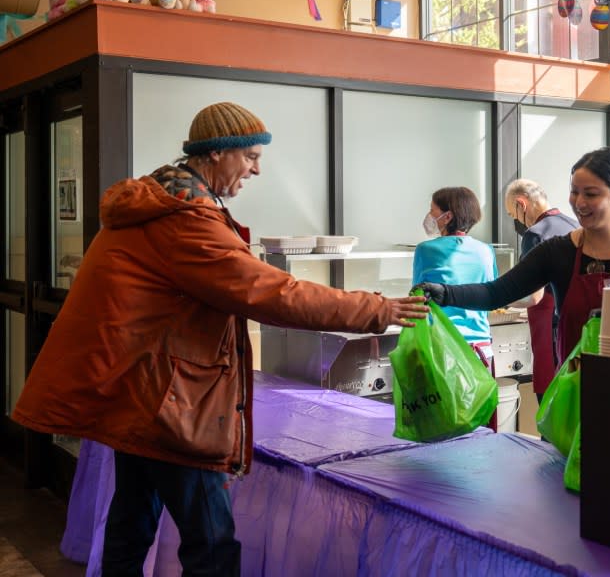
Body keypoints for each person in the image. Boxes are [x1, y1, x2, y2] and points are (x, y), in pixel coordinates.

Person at [10, 102, 427, 576]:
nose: (256, 168)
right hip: (170, 405)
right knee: (212, 546)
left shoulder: (164, 204)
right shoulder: (184, 218)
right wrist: (377, 309)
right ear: (214, 154)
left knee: (131, 525)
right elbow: (271, 292)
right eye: (249, 155)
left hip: (140, 394)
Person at [416, 147, 610, 365]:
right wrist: (445, 293)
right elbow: (496, 293)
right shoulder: (558, 251)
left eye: (590, 194)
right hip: (573, 395)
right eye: (574, 192)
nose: (579, 203)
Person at [503, 179, 578, 402]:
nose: (517, 221)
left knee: (550, 409)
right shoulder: (575, 225)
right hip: (575, 330)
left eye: (513, 214)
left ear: (521, 204)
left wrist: (503, 301)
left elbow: (532, 295)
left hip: (550, 330)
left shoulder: (535, 234)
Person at [414, 187, 498, 366]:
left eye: (432, 210)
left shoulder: (425, 250)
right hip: (481, 349)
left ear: (447, 216)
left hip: (442, 350)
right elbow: (492, 292)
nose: (429, 215)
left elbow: (417, 299)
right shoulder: (486, 250)